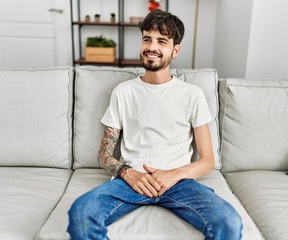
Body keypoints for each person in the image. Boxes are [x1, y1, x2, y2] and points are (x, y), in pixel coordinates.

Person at [67, 9, 242, 240]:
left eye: (162, 41)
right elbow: (104, 154)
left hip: (179, 184)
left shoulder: (193, 95)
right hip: (131, 182)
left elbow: (208, 160)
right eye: (147, 39)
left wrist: (173, 175)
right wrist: (127, 173)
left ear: (175, 50)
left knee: (229, 221)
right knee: (81, 212)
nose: (152, 47)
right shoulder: (123, 92)